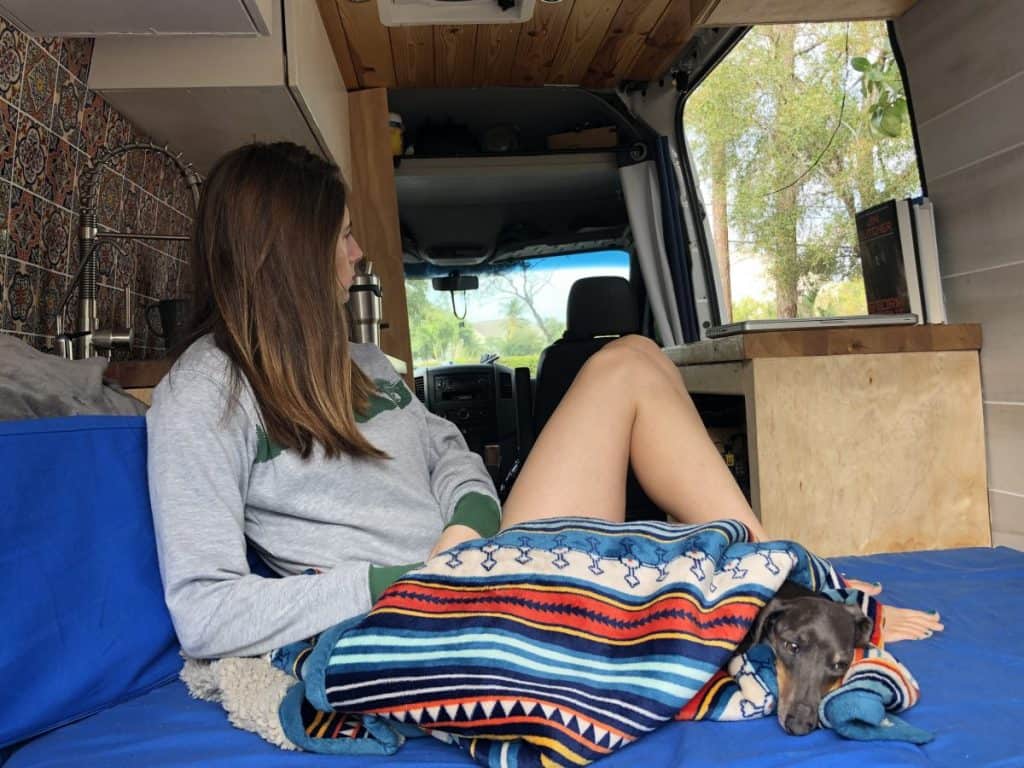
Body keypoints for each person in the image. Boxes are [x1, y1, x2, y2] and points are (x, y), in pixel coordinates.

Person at [146, 142, 942, 663]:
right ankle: (789, 592)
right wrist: (403, 577)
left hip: (477, 565)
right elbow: (206, 615)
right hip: (425, 608)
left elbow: (452, 450)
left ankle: (786, 585)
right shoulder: (203, 396)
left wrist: (469, 519)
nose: (358, 255)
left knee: (633, 358)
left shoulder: (362, 361)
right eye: (345, 236)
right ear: (287, 251)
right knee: (627, 368)